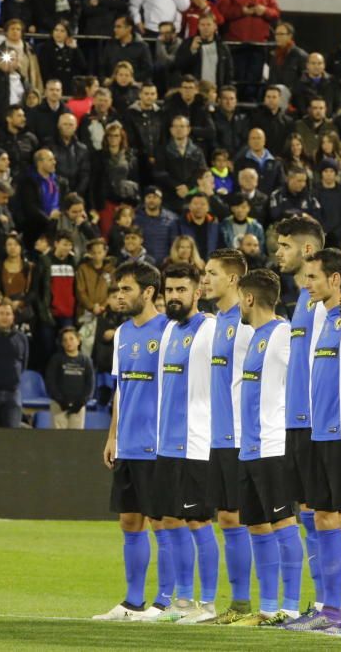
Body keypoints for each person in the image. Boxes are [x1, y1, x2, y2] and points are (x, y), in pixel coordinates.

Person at [283, 248, 341, 633]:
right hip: (319, 430)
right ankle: (331, 609)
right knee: (321, 516)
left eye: (313, 277)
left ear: (335, 279)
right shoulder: (319, 317)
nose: (306, 284)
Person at [92, 261, 171, 622]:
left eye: (125, 289)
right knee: (129, 520)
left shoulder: (169, 330)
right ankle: (132, 602)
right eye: (117, 289)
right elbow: (121, 389)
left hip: (159, 443)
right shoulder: (122, 333)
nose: (118, 296)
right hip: (128, 442)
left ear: (149, 291)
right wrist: (112, 436)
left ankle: (166, 600)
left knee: (162, 521)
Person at [144, 263, 217, 623]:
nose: (173, 296)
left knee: (198, 521)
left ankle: (209, 603)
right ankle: (183, 601)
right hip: (166, 443)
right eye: (168, 290)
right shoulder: (170, 330)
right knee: (169, 521)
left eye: (180, 290)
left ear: (197, 292)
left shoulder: (210, 329)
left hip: (196, 442)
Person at [229, 268, 302, 625]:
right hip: (250, 447)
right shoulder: (256, 336)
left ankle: (288, 607)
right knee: (257, 525)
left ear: (248, 298)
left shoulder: (282, 333)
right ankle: (268, 608)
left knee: (283, 522)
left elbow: (300, 379)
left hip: (273, 445)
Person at [271, 215, 326, 610]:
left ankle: (336, 605)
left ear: (307, 250)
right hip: (296, 420)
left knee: (325, 513)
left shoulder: (324, 301)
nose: (278, 253)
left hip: (317, 422)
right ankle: (324, 604)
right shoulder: (304, 300)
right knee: (308, 510)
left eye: (284, 246)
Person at [198, 249, 254, 623]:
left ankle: (247, 604)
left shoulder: (248, 324)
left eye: (212, 272)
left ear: (233, 279)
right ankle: (232, 603)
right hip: (212, 435)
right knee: (223, 518)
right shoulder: (212, 322)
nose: (205, 279)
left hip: (238, 435)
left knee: (239, 519)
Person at [45, 326, 95, 429]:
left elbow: (90, 385)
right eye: (65, 340)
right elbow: (50, 382)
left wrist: (81, 402)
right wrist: (60, 400)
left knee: (75, 441)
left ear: (78, 340)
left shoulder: (86, 361)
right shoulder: (56, 359)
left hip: (79, 407)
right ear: (62, 344)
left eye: (71, 338)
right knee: (58, 440)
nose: (68, 342)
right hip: (59, 406)